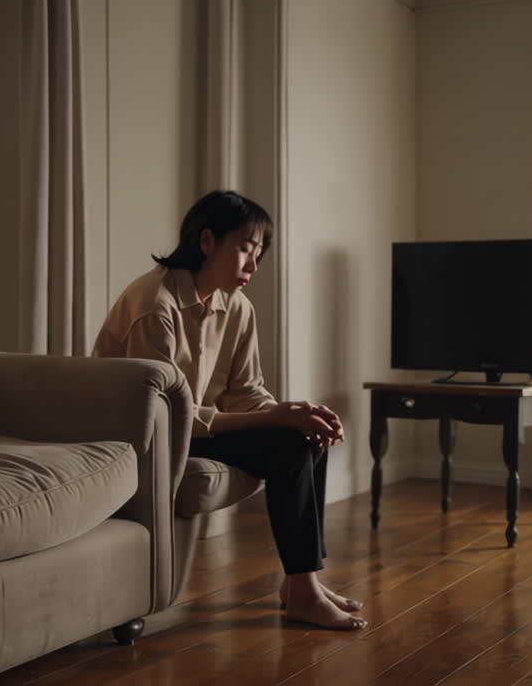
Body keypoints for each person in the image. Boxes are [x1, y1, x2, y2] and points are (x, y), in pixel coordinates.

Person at [92, 190, 367, 631]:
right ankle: (303, 589)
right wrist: (276, 417)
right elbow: (167, 416)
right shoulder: (154, 305)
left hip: (191, 428)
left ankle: (302, 582)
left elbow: (245, 392)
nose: (254, 265)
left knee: (304, 436)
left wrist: (295, 413)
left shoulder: (236, 306)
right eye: (245, 248)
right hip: (145, 435)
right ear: (207, 241)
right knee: (288, 444)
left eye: (259, 253)